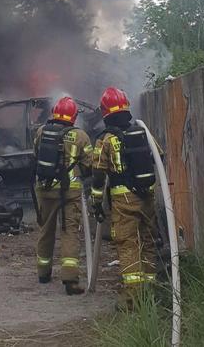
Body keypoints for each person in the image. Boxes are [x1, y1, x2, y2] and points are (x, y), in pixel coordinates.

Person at [90, 87, 159, 310]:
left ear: (105, 111)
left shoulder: (106, 140)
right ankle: (150, 292)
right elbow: (160, 156)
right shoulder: (142, 131)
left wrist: (96, 201)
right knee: (147, 241)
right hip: (147, 196)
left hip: (124, 202)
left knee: (128, 245)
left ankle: (132, 299)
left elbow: (98, 173)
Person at [33, 96, 94, 295]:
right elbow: (89, 164)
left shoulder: (42, 131)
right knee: (70, 233)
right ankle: (70, 280)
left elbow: (36, 154)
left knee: (46, 230)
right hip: (70, 192)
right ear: (74, 116)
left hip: (44, 189)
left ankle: (43, 273)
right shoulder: (80, 136)